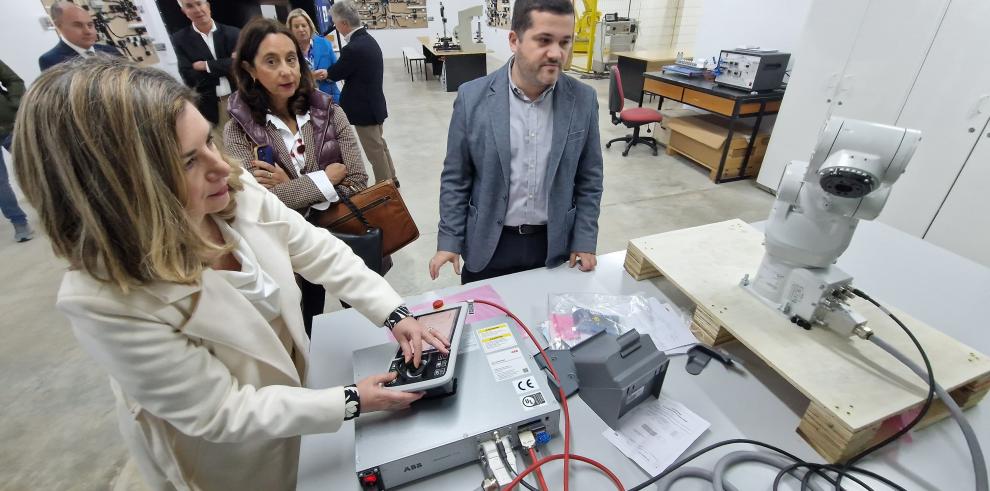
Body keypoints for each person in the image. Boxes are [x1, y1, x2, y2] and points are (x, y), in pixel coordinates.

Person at [13, 57, 448, 490]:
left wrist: (394, 313)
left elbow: (318, 250)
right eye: (187, 162)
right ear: (121, 190)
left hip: (295, 406)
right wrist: (351, 400)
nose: (222, 167)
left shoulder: (230, 188)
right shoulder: (104, 300)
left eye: (209, 141)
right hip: (233, 461)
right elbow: (222, 410)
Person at [429, 0, 604, 284]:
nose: (556, 53)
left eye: (565, 42)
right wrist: (450, 239)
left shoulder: (583, 100)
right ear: (514, 40)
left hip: (554, 247)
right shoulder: (472, 98)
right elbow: (456, 177)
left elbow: (590, 179)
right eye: (544, 40)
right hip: (489, 244)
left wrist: (584, 238)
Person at [223, 18, 370, 336]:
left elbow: (358, 178)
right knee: (305, 329)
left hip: (341, 235)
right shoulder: (239, 131)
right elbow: (253, 206)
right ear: (250, 69)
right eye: (271, 61)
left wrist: (287, 189)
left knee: (364, 318)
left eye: (291, 59)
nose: (286, 71)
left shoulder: (329, 112)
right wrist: (323, 181)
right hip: (286, 254)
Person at [327, 0, 398, 185]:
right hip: (374, 105)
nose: (336, 27)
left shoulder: (353, 48)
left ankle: (384, 187)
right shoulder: (368, 40)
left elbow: (336, 73)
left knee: (374, 152)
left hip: (364, 109)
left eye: (335, 23)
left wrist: (325, 73)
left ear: (343, 24)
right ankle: (392, 178)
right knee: (380, 146)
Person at [171, 0, 240, 132]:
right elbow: (188, 76)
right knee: (221, 149)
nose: (197, 9)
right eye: (190, 6)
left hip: (239, 100)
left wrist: (206, 66)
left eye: (199, 3)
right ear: (184, 11)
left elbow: (239, 66)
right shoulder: (179, 40)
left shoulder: (234, 33)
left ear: (207, 5)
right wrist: (225, 65)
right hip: (210, 107)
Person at [0, 60, 32, 242]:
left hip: (9, 124)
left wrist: (15, 103)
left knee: (36, 167)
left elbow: (13, 80)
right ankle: (19, 222)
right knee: (0, 183)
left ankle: (61, 207)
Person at [38, 1, 121, 71]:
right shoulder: (51, 60)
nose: (88, 31)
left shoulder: (111, 51)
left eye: (90, 25)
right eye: (78, 25)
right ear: (59, 26)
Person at [287, 8, 341, 104]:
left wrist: (328, 73)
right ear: (290, 30)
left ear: (310, 26)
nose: (301, 29)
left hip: (331, 101)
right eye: (296, 26)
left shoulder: (324, 43)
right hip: (303, 103)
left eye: (304, 25)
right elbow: (288, 79)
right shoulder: (287, 51)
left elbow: (338, 70)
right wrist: (309, 77)